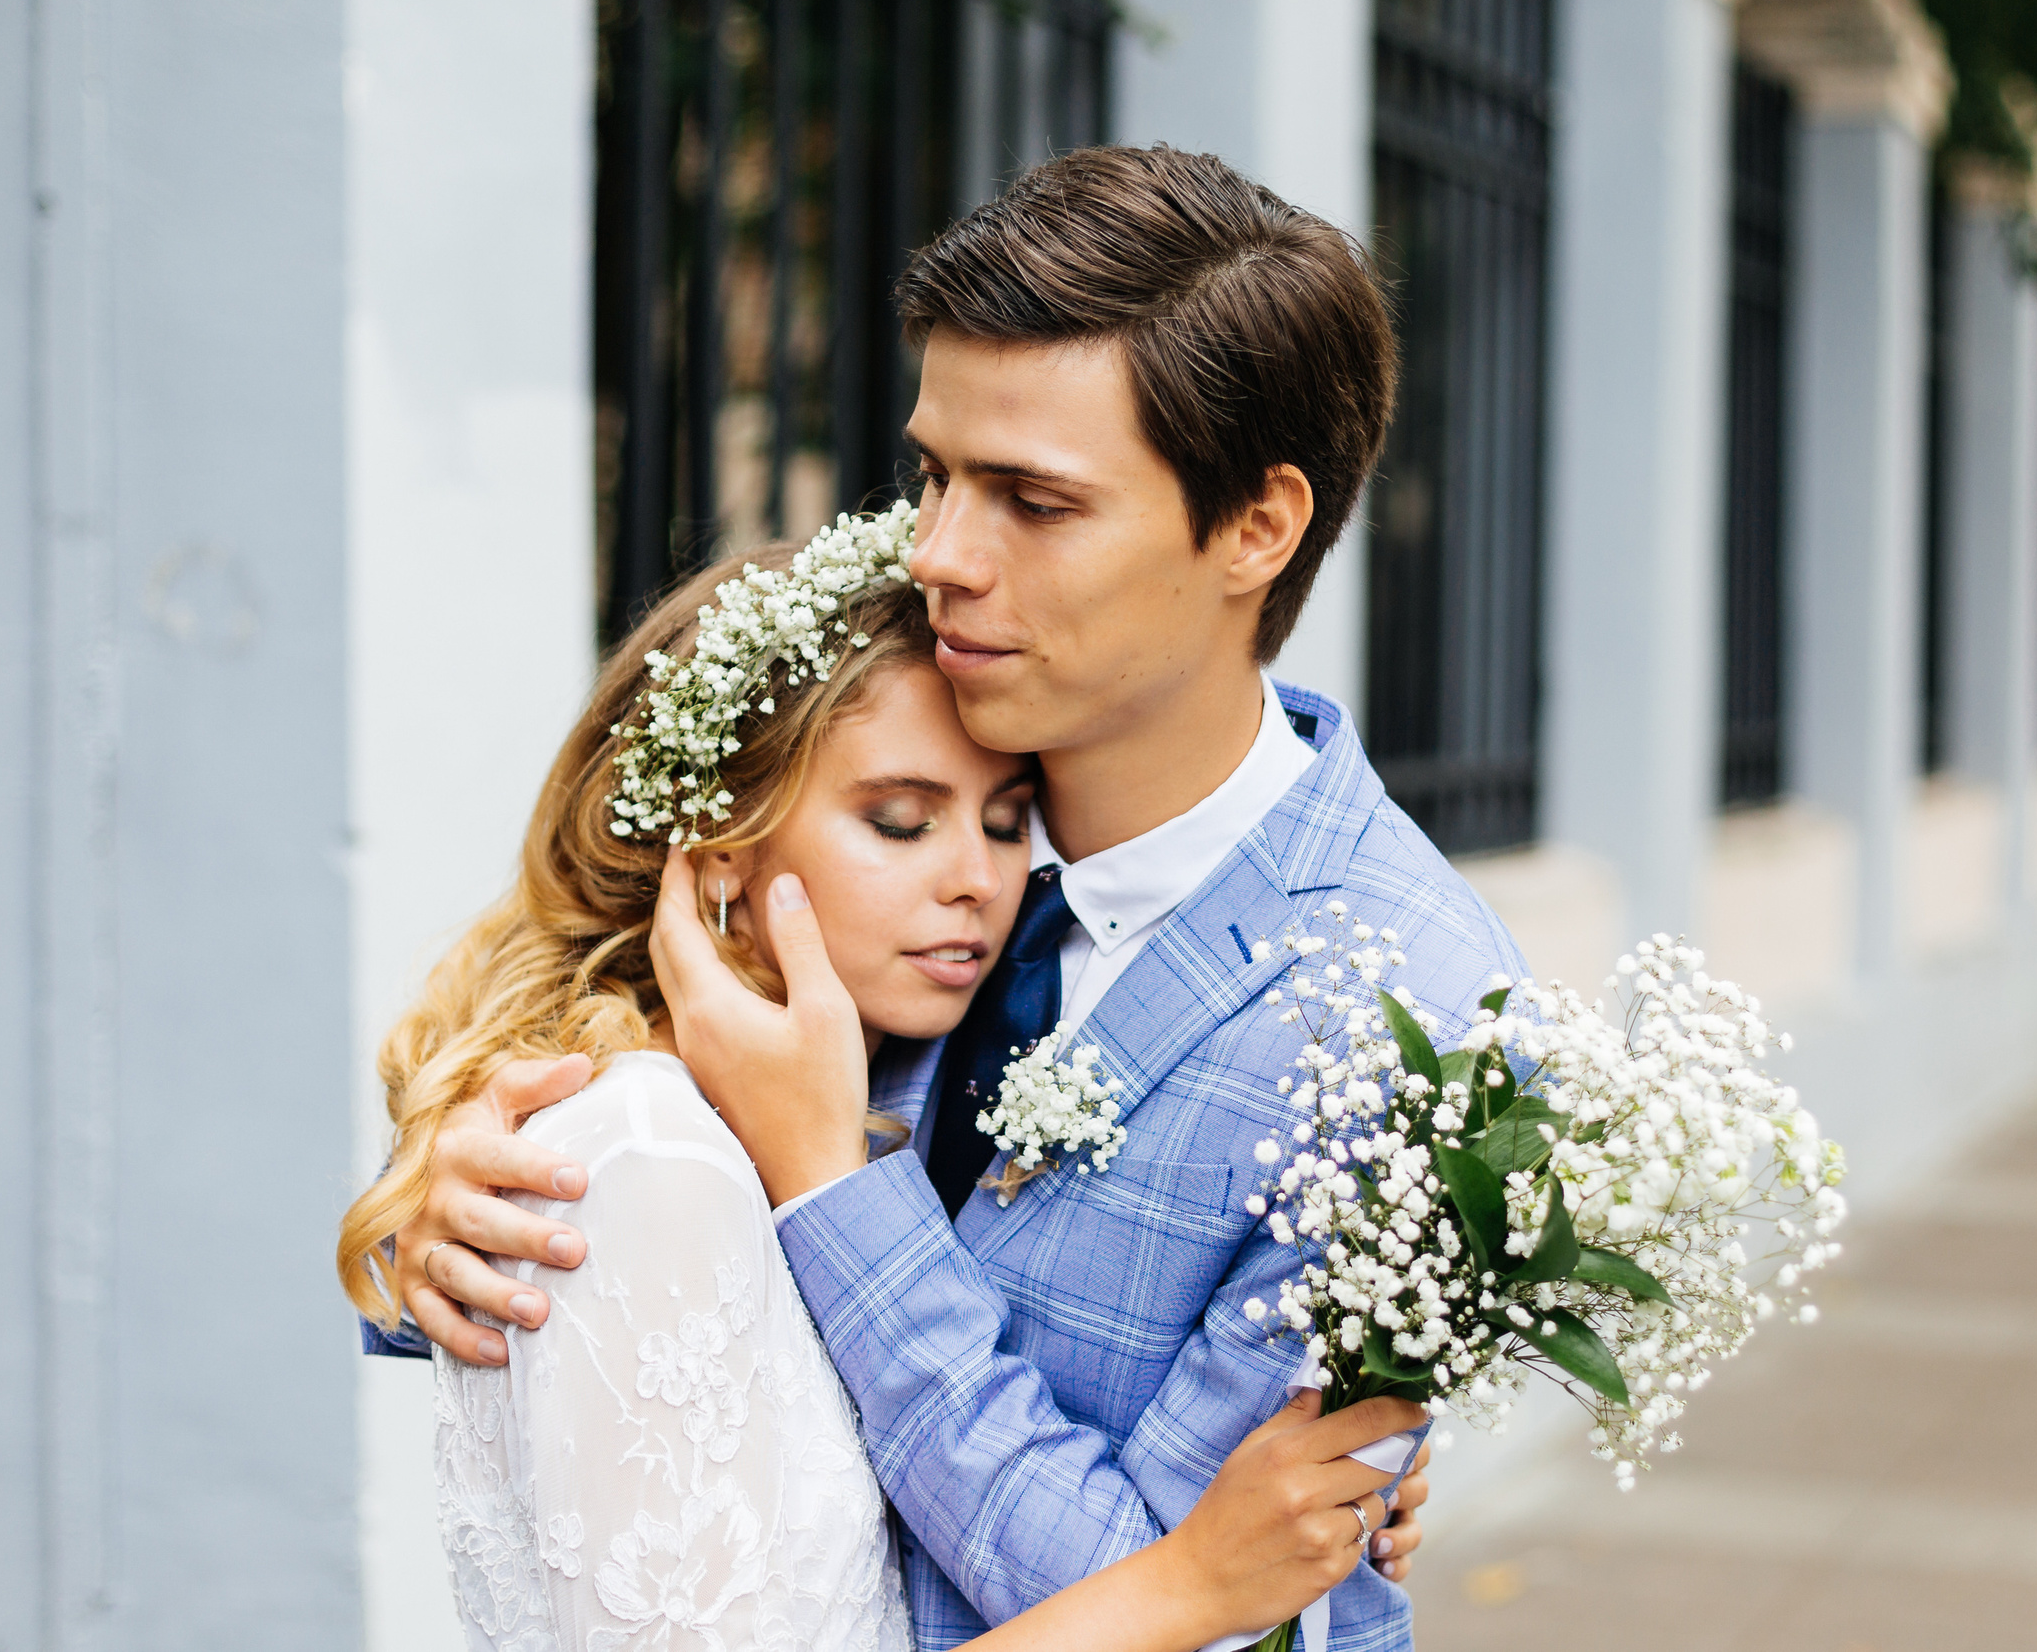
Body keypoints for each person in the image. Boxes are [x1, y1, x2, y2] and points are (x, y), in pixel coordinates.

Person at [382, 145, 1529, 1652]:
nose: (938, 554)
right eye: (934, 472)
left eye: (1033, 501)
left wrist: (827, 1186)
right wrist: (465, 1204)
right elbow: (668, 1322)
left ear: (1256, 526)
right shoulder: (897, 820)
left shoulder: (1413, 1021)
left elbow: (1206, 1602)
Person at [339, 541, 1420, 1650]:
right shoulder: (644, 1154)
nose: (981, 879)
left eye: (1007, 822)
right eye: (900, 821)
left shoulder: (840, 1075)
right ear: (719, 869)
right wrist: (1188, 1587)